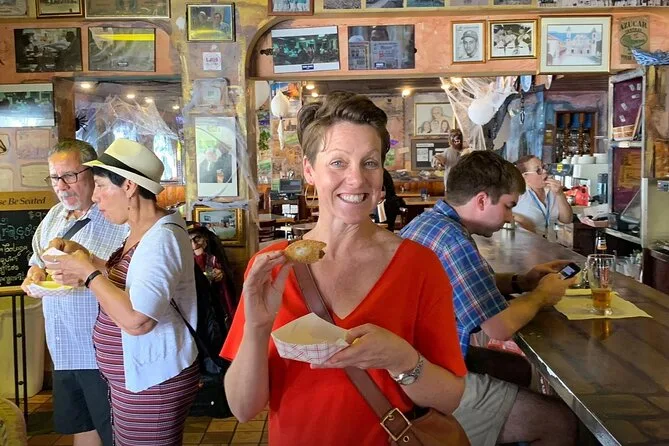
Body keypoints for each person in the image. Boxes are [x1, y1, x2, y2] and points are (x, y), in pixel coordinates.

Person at [221, 92, 467, 444]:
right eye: (338, 162)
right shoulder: (273, 267)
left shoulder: (418, 266)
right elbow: (244, 409)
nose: (356, 179)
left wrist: (402, 359)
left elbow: (450, 398)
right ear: (309, 169)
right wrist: (258, 328)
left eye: (370, 163)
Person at [401, 150, 577, 446]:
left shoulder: (432, 223)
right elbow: (498, 327)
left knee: (518, 369)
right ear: (482, 200)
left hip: (415, 361)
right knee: (559, 421)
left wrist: (521, 281)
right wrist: (542, 296)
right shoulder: (453, 240)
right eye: (508, 206)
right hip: (421, 381)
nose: (509, 217)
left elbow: (462, 286)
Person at [43, 139, 200, 446]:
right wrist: (87, 259)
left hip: (154, 380)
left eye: (101, 186)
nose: (95, 196)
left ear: (129, 186)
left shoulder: (161, 238)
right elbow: (130, 282)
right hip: (133, 378)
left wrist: (88, 274)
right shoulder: (140, 230)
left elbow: (138, 320)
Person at [21, 139, 128, 446]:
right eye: (55, 177)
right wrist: (35, 273)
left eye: (69, 175)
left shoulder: (116, 217)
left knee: (115, 433)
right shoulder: (54, 215)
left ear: (92, 172)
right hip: (63, 348)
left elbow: (131, 275)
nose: (61, 186)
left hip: (102, 352)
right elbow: (37, 258)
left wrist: (88, 269)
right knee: (82, 426)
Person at [513, 155, 573, 239]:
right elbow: (500, 213)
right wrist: (521, 220)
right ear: (524, 176)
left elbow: (567, 220)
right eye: (538, 170)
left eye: (544, 167)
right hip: (525, 244)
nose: (545, 171)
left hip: (549, 243)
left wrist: (560, 194)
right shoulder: (518, 192)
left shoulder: (552, 191)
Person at [188, 224, 238, 321]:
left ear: (205, 238)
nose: (194, 245)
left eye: (197, 239)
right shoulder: (184, 259)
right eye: (189, 241)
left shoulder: (214, 256)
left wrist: (221, 274)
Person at [432, 128, 465, 193]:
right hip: (452, 184)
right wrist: (438, 162)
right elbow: (438, 158)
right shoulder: (449, 151)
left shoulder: (467, 151)